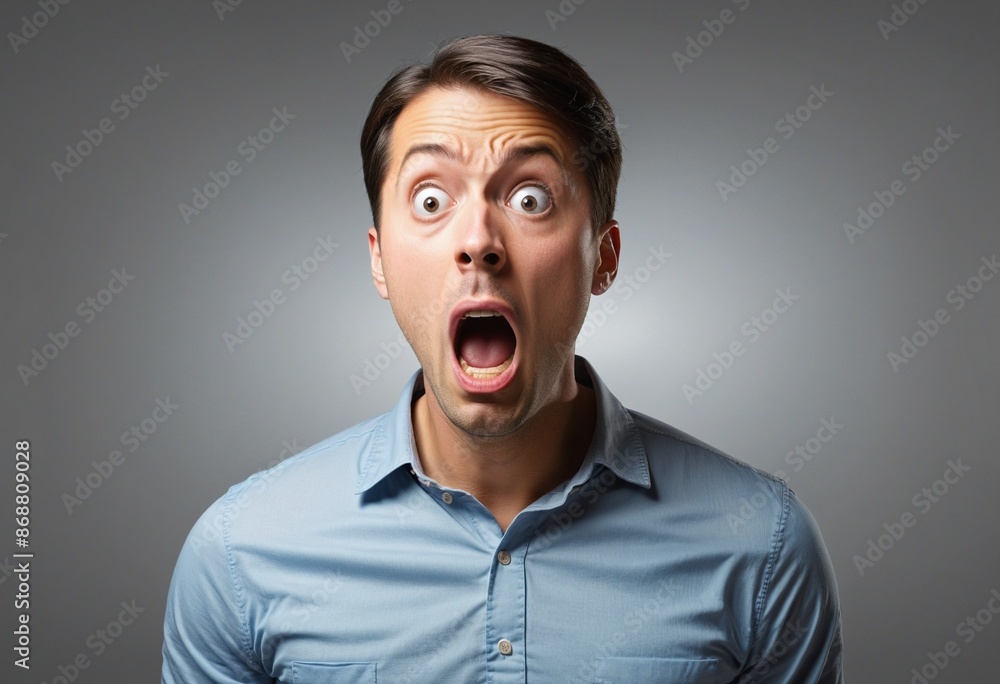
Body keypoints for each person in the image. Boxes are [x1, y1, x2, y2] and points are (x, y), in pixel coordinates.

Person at [162, 34, 843, 683]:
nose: (479, 241)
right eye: (431, 199)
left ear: (602, 257)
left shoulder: (763, 548)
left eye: (530, 198)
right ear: (379, 260)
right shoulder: (239, 556)